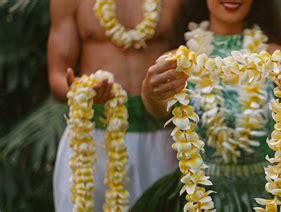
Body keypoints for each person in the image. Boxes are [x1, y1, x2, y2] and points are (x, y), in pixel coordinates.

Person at [133, 0, 281, 211]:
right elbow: (157, 109)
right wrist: (150, 93)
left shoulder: (279, 57)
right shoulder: (178, 60)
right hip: (198, 191)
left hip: (269, 191)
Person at [48, 0, 182, 210]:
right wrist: (79, 93)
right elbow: (56, 75)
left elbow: (193, 48)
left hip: (159, 134)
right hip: (89, 138)